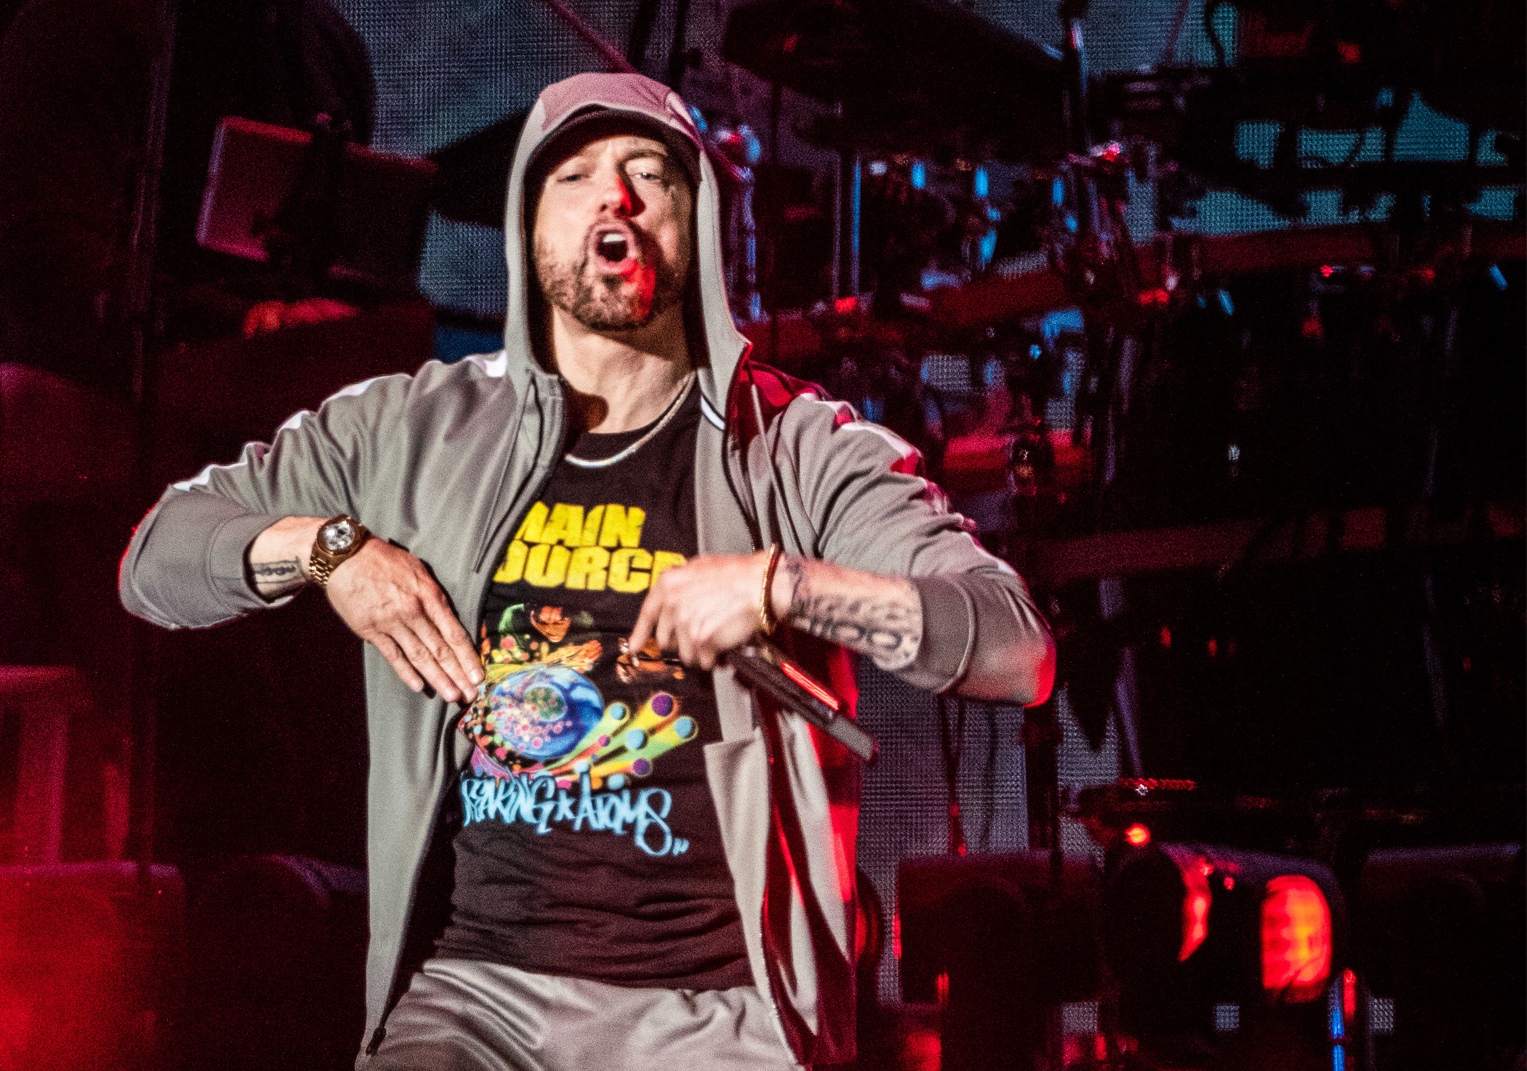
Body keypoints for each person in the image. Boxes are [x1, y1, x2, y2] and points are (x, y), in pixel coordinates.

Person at [119, 72, 1054, 1070]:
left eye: (650, 174)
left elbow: (1019, 654)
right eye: (575, 176)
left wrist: (784, 586)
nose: (616, 197)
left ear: (700, 226)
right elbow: (154, 558)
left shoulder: (798, 448)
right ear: (529, 228)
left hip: (719, 1017)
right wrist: (329, 549)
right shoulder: (417, 429)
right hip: (478, 1003)